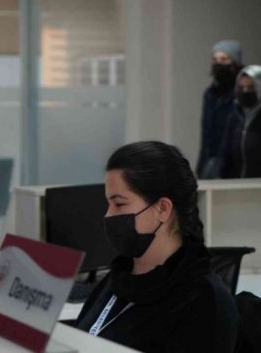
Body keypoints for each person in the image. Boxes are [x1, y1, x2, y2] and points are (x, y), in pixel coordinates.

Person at [74, 141, 238, 353]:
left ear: (162, 209)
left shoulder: (203, 301)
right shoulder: (117, 280)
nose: (108, 215)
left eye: (119, 204)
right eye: (108, 204)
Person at [197, 40, 243, 178]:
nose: (218, 63)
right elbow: (206, 133)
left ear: (234, 63)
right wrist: (201, 166)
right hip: (211, 161)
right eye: (215, 59)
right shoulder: (210, 94)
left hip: (236, 164)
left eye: (224, 59)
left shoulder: (243, 94)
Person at [219, 65, 261, 178]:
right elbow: (225, 155)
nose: (245, 91)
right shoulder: (234, 117)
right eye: (241, 88)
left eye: (250, 87)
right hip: (237, 183)